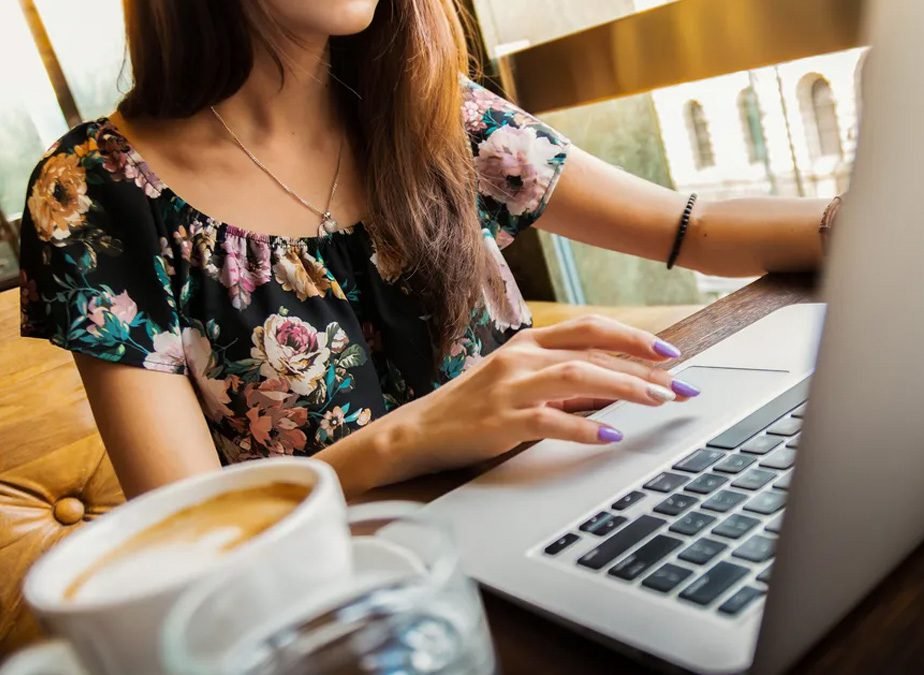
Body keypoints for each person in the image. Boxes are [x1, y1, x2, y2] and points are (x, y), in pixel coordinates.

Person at [18, 0, 835, 500]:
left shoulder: (426, 107)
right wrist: (415, 434)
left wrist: (875, 216)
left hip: (559, 503)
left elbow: (689, 227)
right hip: (357, 610)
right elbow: (191, 537)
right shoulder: (97, 194)